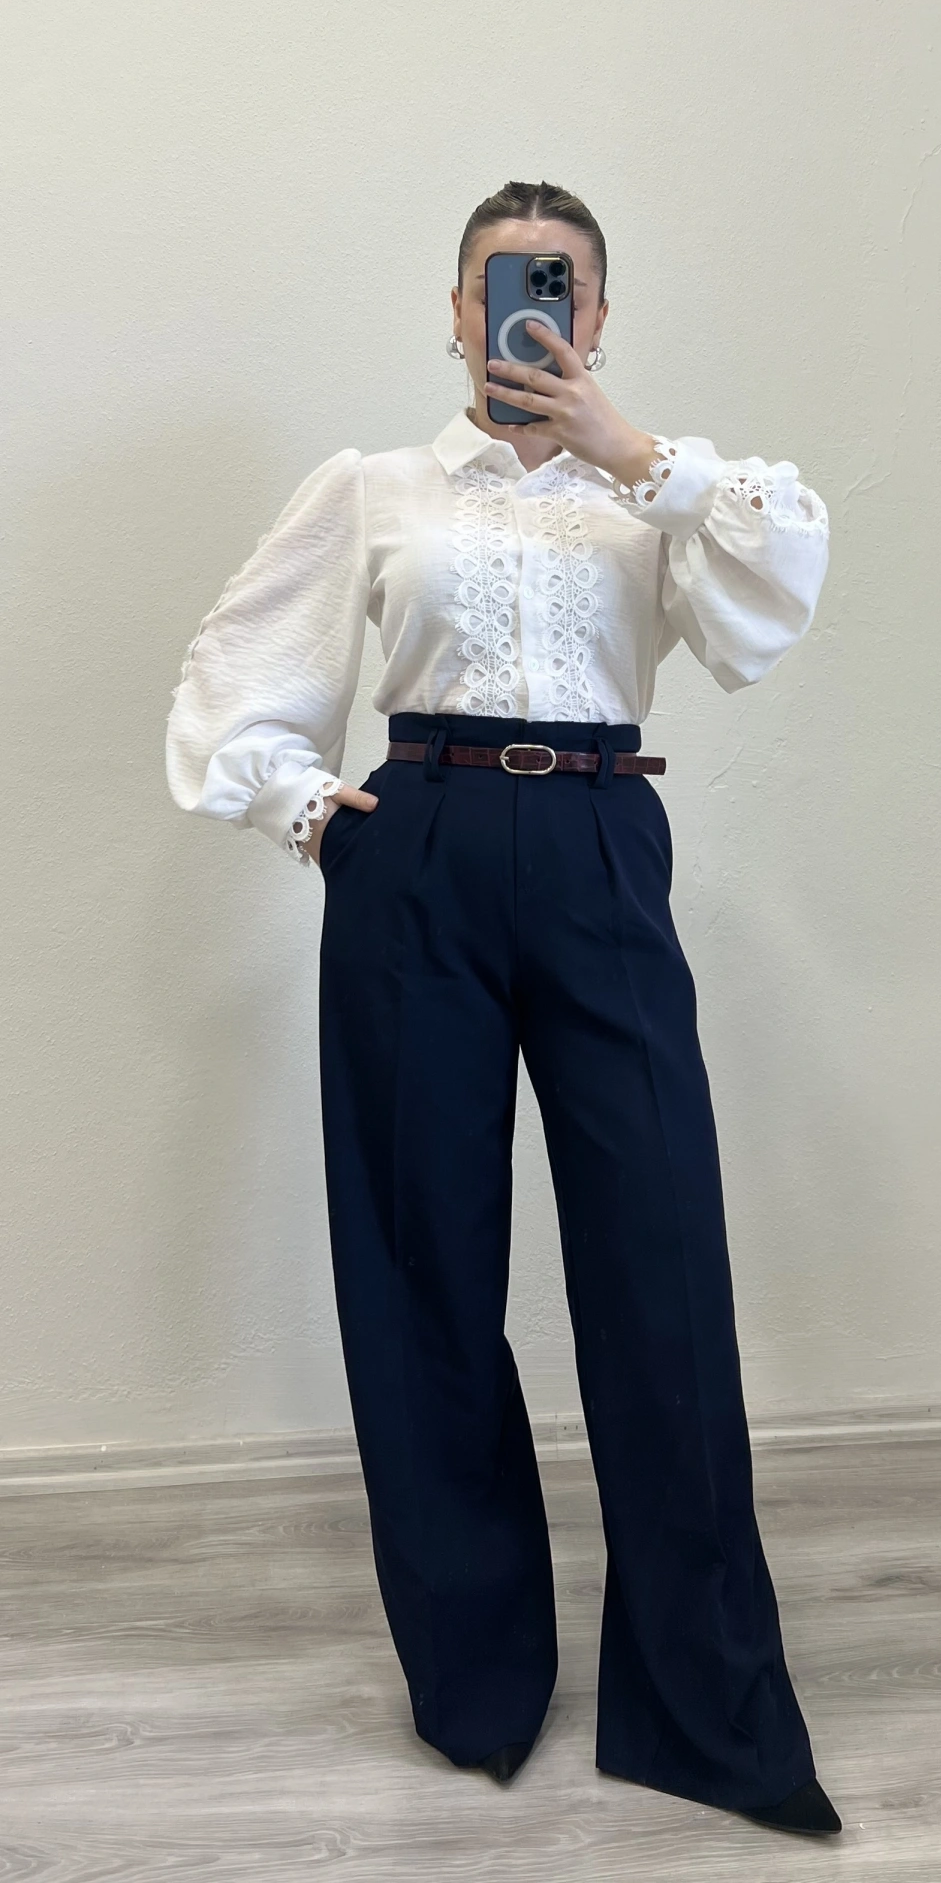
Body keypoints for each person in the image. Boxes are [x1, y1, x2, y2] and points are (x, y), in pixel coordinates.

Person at [166, 179, 841, 1837]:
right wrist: (311, 813)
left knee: (659, 1256)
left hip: (604, 840)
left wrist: (639, 455)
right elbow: (238, 669)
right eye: (497, 284)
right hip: (421, 854)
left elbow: (774, 598)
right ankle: (479, 1681)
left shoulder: (656, 492)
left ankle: (701, 1707)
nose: (528, 308)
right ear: (455, 310)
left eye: (561, 285)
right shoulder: (375, 487)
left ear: (597, 314)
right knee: (426, 1264)